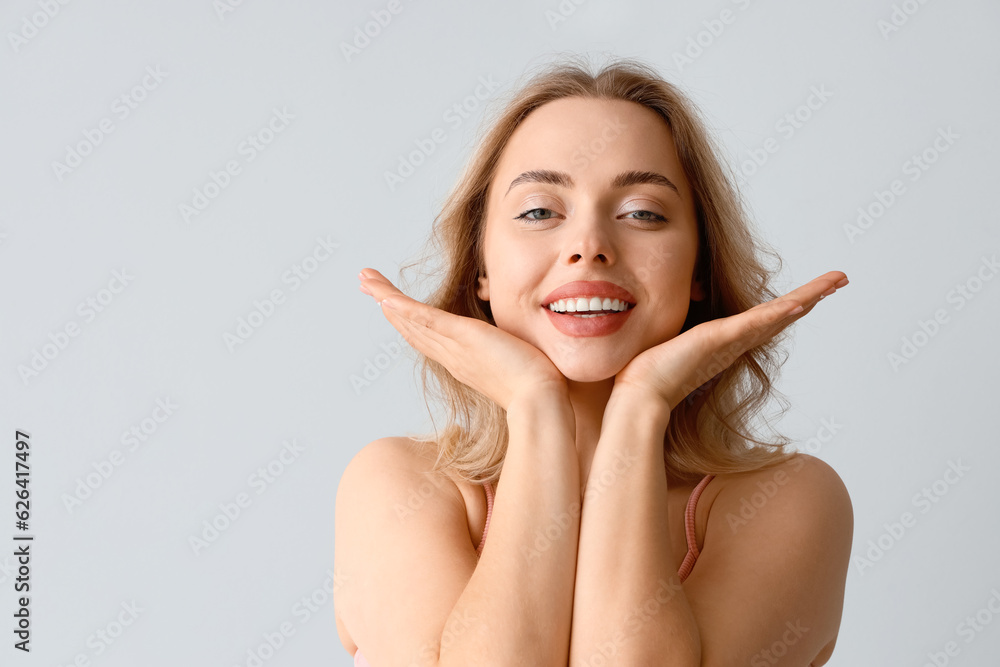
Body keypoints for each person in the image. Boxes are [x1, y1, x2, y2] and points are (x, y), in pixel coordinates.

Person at [335, 55, 853, 667]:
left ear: (700, 270)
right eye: (538, 211)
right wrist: (535, 407)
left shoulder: (791, 501)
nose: (589, 247)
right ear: (481, 269)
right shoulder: (398, 485)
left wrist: (640, 409)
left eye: (642, 213)